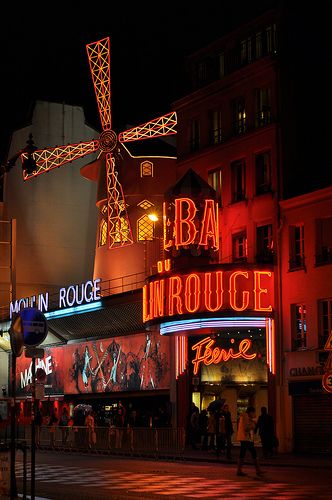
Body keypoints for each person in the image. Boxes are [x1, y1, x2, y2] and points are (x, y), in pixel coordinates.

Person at [236, 406, 264, 477]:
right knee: (253, 453)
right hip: (246, 438)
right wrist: (253, 424)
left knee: (243, 453)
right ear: (250, 412)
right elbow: (246, 428)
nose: (254, 414)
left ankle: (239, 470)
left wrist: (252, 421)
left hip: (246, 438)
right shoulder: (245, 417)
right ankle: (258, 470)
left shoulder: (246, 417)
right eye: (253, 412)